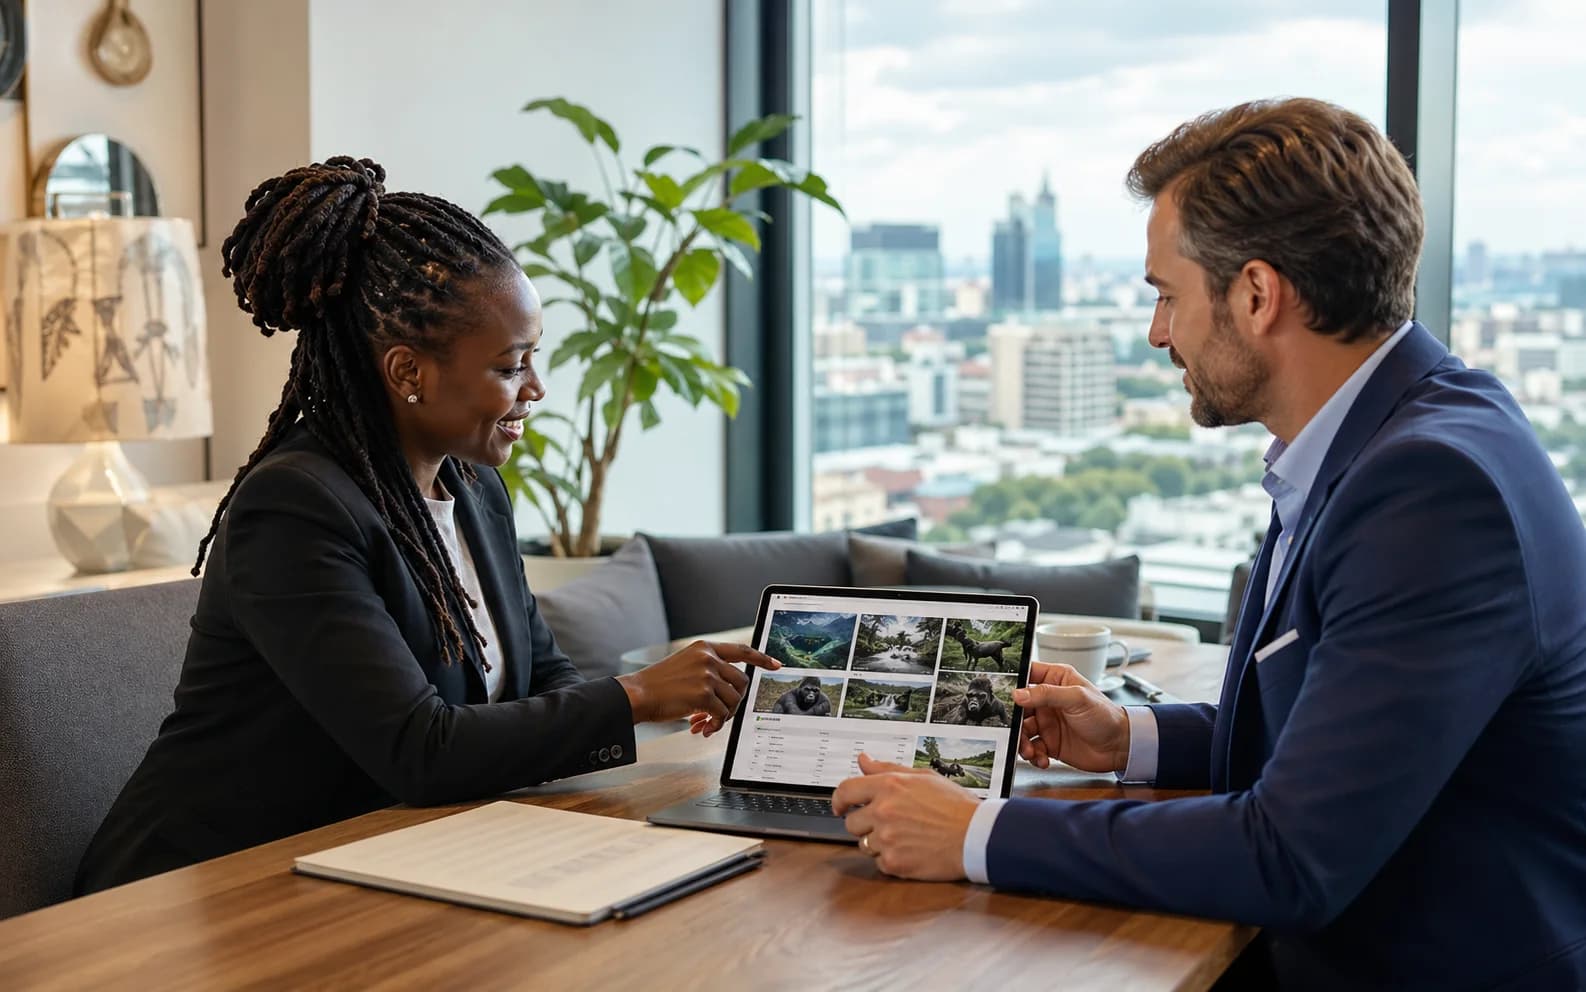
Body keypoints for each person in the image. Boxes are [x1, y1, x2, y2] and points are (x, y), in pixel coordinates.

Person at [833, 99, 1586, 989]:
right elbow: (1341, 735)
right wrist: (1127, 738)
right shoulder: (1395, 432)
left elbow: (1291, 854)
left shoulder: (1429, 491)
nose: (1158, 333)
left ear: (1258, 295)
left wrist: (973, 832)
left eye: (1166, 295)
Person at [76, 157, 777, 894]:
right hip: (203, 890)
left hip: (382, 857)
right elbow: (420, 749)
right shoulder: (292, 508)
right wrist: (636, 696)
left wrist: (660, 705)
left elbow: (539, 676)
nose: (535, 389)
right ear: (408, 372)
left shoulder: (472, 487)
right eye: (511, 366)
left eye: (533, 357)